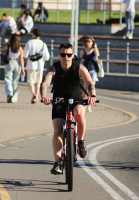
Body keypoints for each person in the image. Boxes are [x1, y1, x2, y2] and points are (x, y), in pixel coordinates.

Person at [41, 43, 97, 174]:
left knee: (79, 114)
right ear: (59, 55)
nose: (66, 57)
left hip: (77, 99)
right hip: (59, 100)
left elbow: (89, 81)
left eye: (69, 54)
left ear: (73, 55)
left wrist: (92, 95)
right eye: (63, 54)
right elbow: (45, 82)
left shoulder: (79, 67)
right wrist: (44, 96)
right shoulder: (53, 68)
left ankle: (81, 141)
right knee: (57, 130)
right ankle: (57, 163)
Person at [23, 28, 50, 104]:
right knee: (38, 83)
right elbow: (47, 57)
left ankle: (33, 94)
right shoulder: (43, 44)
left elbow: (25, 55)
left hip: (31, 65)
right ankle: (37, 97)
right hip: (40, 66)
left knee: (30, 81)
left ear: (34, 34)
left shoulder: (29, 42)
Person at [1, 34, 25, 103]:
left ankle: (9, 94)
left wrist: (8, 42)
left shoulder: (9, 46)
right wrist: (23, 69)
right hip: (17, 64)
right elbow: (21, 60)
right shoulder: (20, 48)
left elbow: (2, 48)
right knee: (15, 81)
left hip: (10, 62)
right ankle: (14, 98)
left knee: (8, 80)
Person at [80, 36, 100, 112]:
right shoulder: (83, 51)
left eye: (89, 41)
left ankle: (89, 106)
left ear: (92, 42)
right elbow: (81, 61)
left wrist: (95, 47)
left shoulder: (93, 50)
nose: (87, 43)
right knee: (85, 88)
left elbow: (97, 55)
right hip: (85, 72)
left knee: (91, 88)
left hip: (93, 71)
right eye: (86, 41)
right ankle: (84, 102)